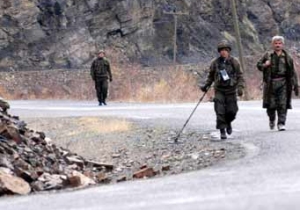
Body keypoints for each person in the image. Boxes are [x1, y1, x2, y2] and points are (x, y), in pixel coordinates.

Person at [200, 41, 245, 140]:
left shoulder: (234, 62)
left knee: (232, 111)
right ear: (219, 52)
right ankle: (222, 130)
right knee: (219, 111)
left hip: (231, 90)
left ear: (228, 51)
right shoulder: (215, 63)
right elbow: (210, 76)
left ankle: (228, 122)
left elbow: (240, 76)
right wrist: (206, 86)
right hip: (219, 90)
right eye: (221, 50)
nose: (223, 52)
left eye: (225, 50)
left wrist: (240, 87)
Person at [256, 35, 298, 131]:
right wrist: (265, 65)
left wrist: (296, 85)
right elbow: (258, 65)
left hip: (283, 83)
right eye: (276, 43)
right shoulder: (267, 55)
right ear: (272, 44)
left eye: (279, 43)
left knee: (282, 104)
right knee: (271, 105)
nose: (277, 45)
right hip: (270, 83)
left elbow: (292, 72)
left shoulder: (287, 57)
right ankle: (272, 119)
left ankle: (281, 123)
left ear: (283, 44)